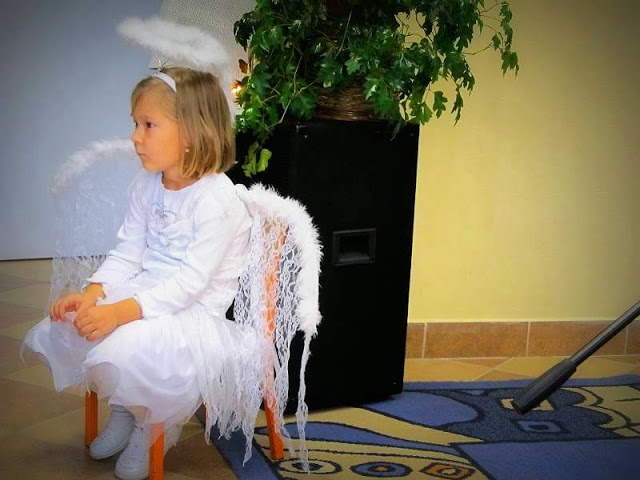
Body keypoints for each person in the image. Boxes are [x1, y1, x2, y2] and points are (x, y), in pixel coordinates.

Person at [22, 67, 255, 480]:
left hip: (192, 311)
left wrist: (118, 312)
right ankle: (125, 409)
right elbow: (128, 252)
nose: (134, 136)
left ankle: (151, 424)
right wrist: (94, 294)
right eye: (135, 124)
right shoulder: (148, 185)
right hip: (147, 292)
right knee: (82, 326)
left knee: (131, 343)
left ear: (191, 132)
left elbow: (189, 284)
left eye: (148, 125)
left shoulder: (216, 200)